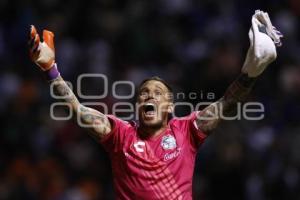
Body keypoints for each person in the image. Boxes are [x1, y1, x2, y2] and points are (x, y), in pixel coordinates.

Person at [28, 10, 282, 200]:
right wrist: (51, 70)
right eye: (144, 93)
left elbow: (228, 103)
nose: (149, 96)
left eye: (157, 93)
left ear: (169, 106)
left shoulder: (187, 130)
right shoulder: (120, 134)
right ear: (137, 105)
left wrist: (251, 72)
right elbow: (78, 111)